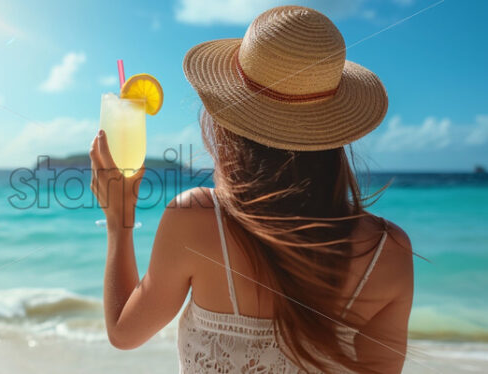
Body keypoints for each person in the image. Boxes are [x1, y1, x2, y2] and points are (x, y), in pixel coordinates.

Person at [89, 5, 414, 374]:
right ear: (333, 128)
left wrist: (119, 221)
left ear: (225, 117)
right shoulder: (389, 252)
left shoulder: (196, 218)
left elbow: (124, 332)